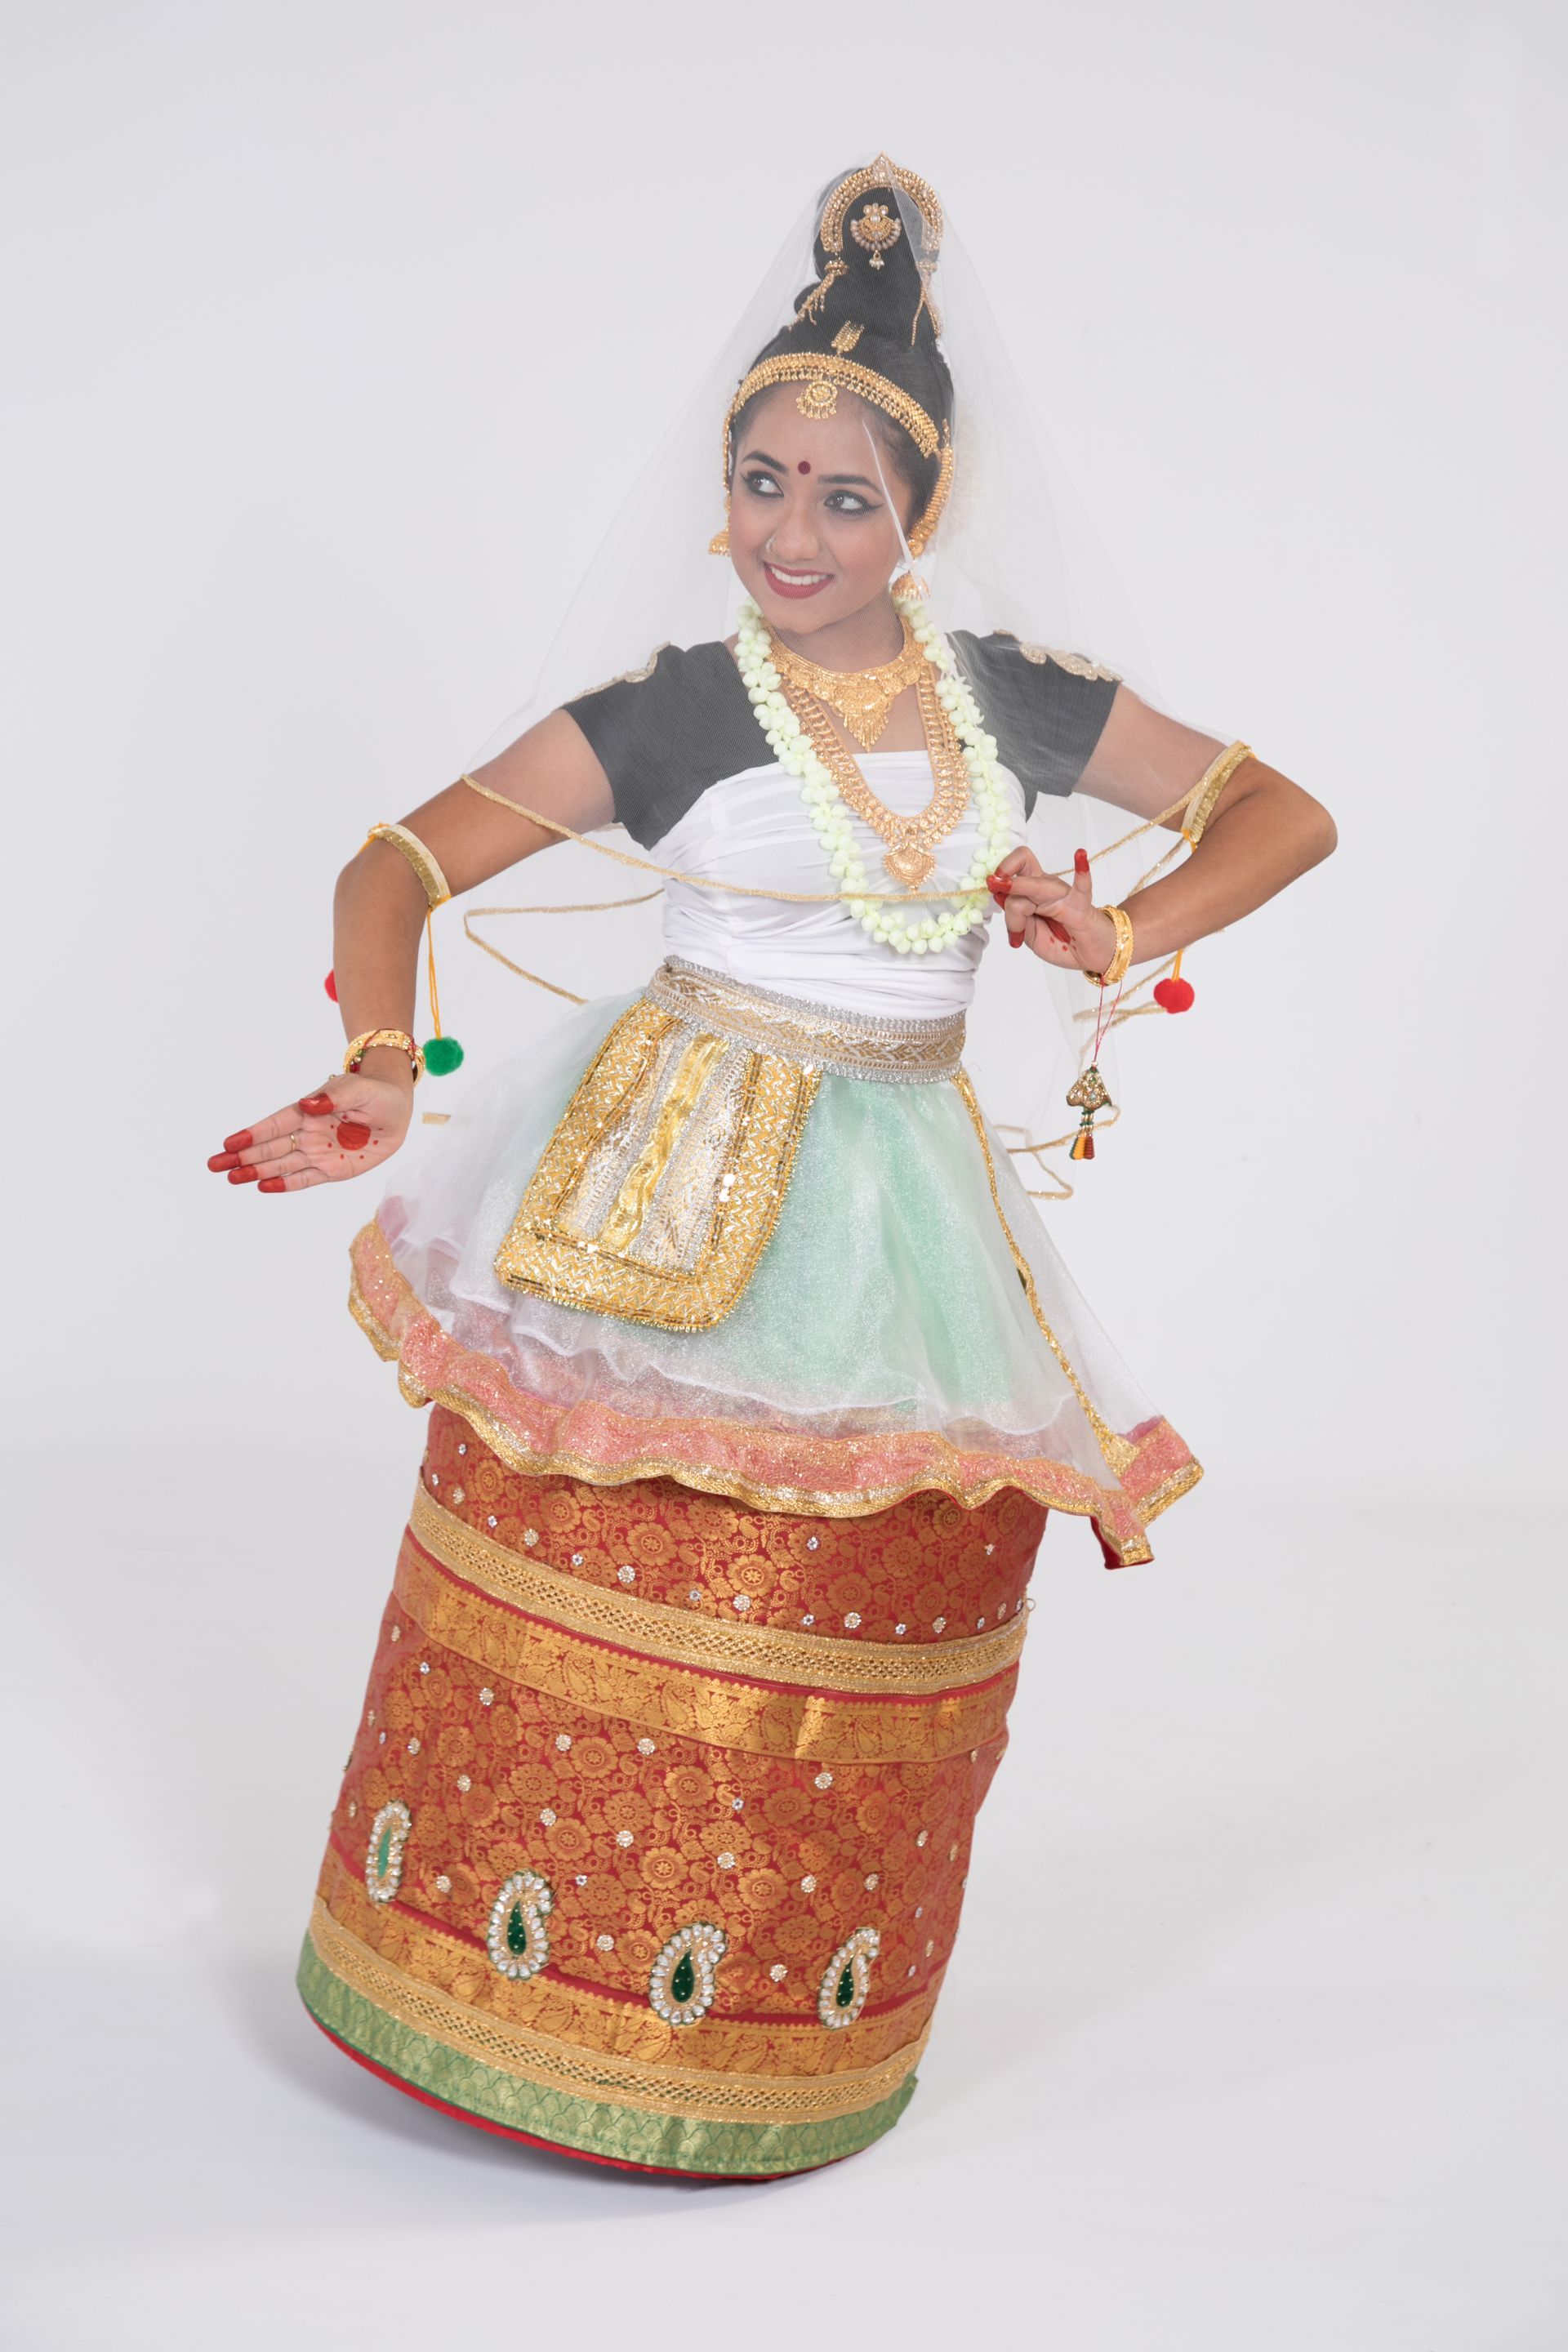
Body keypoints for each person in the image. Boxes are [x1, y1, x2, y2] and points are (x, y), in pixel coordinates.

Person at [210, 156, 1334, 2179]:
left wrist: (1124, 931)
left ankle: (762, 2059)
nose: (791, 536)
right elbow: (399, 863)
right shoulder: (672, 714)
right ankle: (474, 1997)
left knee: (856, 1584)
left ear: (925, 515)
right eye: (759, 485)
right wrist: (380, 1062)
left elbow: (1281, 813)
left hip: (898, 1198)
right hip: (658, 1170)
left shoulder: (1015, 699)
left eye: (844, 498)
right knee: (599, 1551)